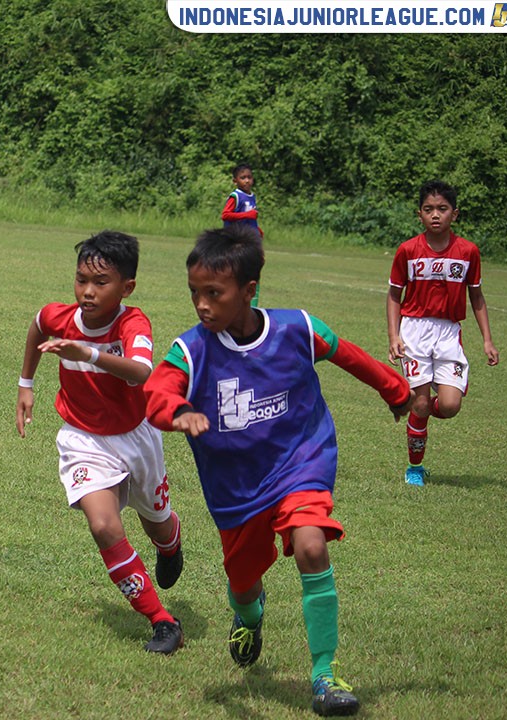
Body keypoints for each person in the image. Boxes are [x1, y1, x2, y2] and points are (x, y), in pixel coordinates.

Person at [144, 226, 411, 715]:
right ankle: (248, 615)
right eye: (194, 293)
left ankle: (325, 675)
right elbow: (158, 392)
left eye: (214, 293)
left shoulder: (297, 329)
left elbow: (346, 353)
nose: (202, 305)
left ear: (249, 291)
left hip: (300, 462)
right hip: (236, 491)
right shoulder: (192, 350)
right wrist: (176, 411)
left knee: (312, 545)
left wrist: (395, 390)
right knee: (244, 584)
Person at [15, 230, 185, 655]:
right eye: (80, 281)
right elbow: (37, 326)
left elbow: (142, 371)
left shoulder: (133, 322)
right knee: (104, 525)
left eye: (101, 283)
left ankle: (170, 541)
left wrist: (86, 353)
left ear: (126, 287)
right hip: (82, 438)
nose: (87, 292)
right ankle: (162, 621)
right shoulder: (60, 316)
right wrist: (26, 383)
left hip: (137, 434)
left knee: (156, 519)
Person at [387, 180, 499, 486]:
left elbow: (476, 296)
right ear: (419, 215)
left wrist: (487, 339)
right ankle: (415, 468)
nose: (435, 215)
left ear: (455, 213)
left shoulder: (468, 252)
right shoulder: (408, 250)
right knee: (422, 403)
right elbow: (394, 295)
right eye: (428, 209)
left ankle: (417, 411)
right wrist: (394, 336)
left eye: (442, 209)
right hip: (414, 331)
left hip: (449, 333)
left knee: (449, 406)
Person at [221, 163, 263, 307]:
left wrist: (257, 228)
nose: (246, 180)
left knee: (257, 263)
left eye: (249, 177)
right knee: (239, 267)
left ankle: (251, 302)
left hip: (249, 236)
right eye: (242, 177)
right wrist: (248, 215)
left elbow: (249, 218)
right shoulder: (235, 196)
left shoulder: (252, 196)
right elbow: (225, 215)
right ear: (235, 181)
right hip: (236, 237)